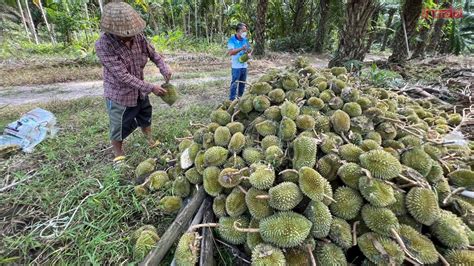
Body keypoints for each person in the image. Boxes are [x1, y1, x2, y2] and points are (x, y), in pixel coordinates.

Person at [95, 1, 172, 168]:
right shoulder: (103, 45)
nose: (131, 35)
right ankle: (119, 156)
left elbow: (154, 55)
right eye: (126, 33)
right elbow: (123, 76)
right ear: (113, 31)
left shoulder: (139, 37)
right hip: (120, 94)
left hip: (139, 92)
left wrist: (164, 67)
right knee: (119, 125)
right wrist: (151, 87)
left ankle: (150, 140)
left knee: (145, 114)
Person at [227, 22, 251, 100]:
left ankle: (240, 98)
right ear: (238, 31)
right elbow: (230, 52)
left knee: (242, 83)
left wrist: (248, 53)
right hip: (236, 66)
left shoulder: (245, 40)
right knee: (234, 83)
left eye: (245, 31)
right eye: (244, 31)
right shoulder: (232, 40)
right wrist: (241, 48)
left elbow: (248, 49)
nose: (245, 33)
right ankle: (232, 99)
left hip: (244, 65)